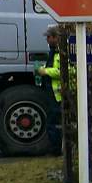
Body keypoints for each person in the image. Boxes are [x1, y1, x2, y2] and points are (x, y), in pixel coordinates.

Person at [37, 24, 63, 155]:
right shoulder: (54, 51)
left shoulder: (61, 52)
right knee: (53, 123)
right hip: (53, 93)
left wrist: (45, 71)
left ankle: (56, 150)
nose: (46, 40)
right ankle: (55, 149)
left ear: (55, 37)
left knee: (54, 123)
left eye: (48, 37)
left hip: (57, 95)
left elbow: (64, 71)